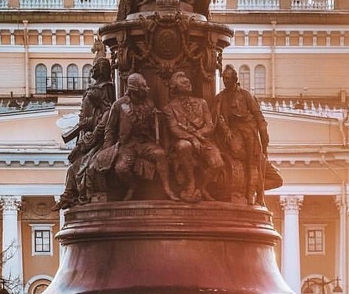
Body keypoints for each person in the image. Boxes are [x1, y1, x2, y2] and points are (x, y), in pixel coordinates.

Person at [98, 72, 179, 201]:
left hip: (145, 143)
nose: (147, 88)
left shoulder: (149, 104)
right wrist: (108, 148)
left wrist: (156, 118)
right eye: (143, 86)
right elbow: (110, 128)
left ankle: (167, 188)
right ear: (134, 89)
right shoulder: (119, 105)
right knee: (121, 168)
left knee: (161, 154)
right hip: (128, 145)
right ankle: (132, 186)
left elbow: (153, 127)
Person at [53, 59, 115, 209]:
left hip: (97, 138)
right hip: (88, 134)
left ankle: (76, 196)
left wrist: (89, 124)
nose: (91, 70)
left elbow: (105, 114)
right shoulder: (98, 88)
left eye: (94, 68)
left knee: (82, 166)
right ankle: (69, 196)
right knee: (74, 165)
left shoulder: (105, 89)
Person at [212, 64, 270, 205]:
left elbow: (257, 114)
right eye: (224, 78)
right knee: (238, 152)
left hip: (249, 130)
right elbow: (218, 117)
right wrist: (226, 130)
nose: (225, 81)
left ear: (235, 79)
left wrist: (263, 135)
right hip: (234, 131)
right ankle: (243, 186)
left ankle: (251, 194)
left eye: (228, 78)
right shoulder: (220, 97)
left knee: (253, 162)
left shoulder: (245, 95)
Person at [163, 71, 223, 202]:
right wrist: (192, 138)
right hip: (184, 141)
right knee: (183, 146)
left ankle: (202, 187)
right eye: (184, 83)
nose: (188, 83)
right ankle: (191, 183)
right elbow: (174, 129)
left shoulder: (202, 103)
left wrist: (199, 134)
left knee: (217, 163)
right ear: (176, 87)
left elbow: (210, 125)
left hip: (204, 141)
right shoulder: (169, 108)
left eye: (188, 81)